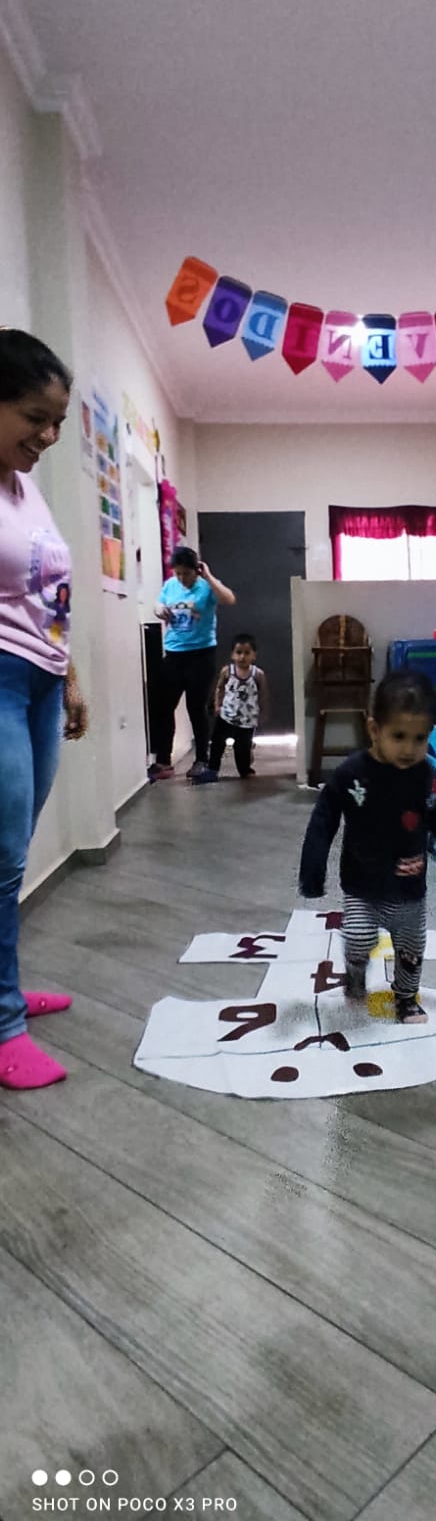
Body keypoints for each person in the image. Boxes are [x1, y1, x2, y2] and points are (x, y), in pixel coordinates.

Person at [0, 329, 89, 1091]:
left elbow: (46, 596)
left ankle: (2, 989)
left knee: (11, 854)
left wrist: (71, 674)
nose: (49, 436)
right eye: (36, 417)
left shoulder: (24, 487)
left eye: (57, 421)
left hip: (42, 680)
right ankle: (3, 1021)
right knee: (0, 860)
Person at [299, 671, 436, 1025]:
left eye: (419, 738)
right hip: (362, 884)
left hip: (409, 887)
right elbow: (323, 820)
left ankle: (406, 997)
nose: (409, 749)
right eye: (398, 736)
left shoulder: (426, 776)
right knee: (359, 938)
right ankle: (354, 973)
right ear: (374, 729)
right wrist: (313, 871)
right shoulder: (351, 774)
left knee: (411, 947)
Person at [148, 544, 236, 781]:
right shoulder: (170, 585)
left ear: (196, 570)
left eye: (186, 573)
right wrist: (159, 609)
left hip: (201, 655)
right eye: (178, 573)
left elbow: (229, 599)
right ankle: (163, 762)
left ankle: (201, 760)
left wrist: (209, 576)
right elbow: (158, 604)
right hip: (174, 654)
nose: (181, 578)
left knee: (196, 708)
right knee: (164, 707)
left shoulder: (206, 586)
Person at [195, 632, 268, 783]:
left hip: (247, 720)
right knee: (217, 743)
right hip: (226, 716)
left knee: (243, 747)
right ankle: (213, 769)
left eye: (247, 653)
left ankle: (245, 769)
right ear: (232, 654)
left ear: (254, 655)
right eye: (238, 652)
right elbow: (220, 688)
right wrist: (217, 705)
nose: (242, 657)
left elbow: (263, 693)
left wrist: (263, 711)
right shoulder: (227, 671)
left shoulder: (258, 674)